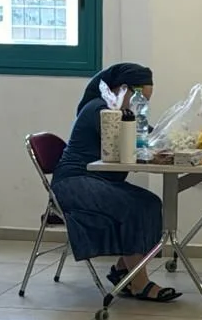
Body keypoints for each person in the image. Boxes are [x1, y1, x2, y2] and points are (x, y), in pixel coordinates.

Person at [52, 62, 180, 302]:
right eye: (139, 99)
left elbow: (150, 137)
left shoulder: (123, 113)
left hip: (101, 181)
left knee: (150, 203)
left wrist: (176, 141)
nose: (141, 106)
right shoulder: (100, 110)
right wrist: (154, 150)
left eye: (146, 102)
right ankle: (139, 283)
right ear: (122, 89)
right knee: (135, 207)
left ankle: (124, 270)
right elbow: (131, 146)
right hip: (75, 183)